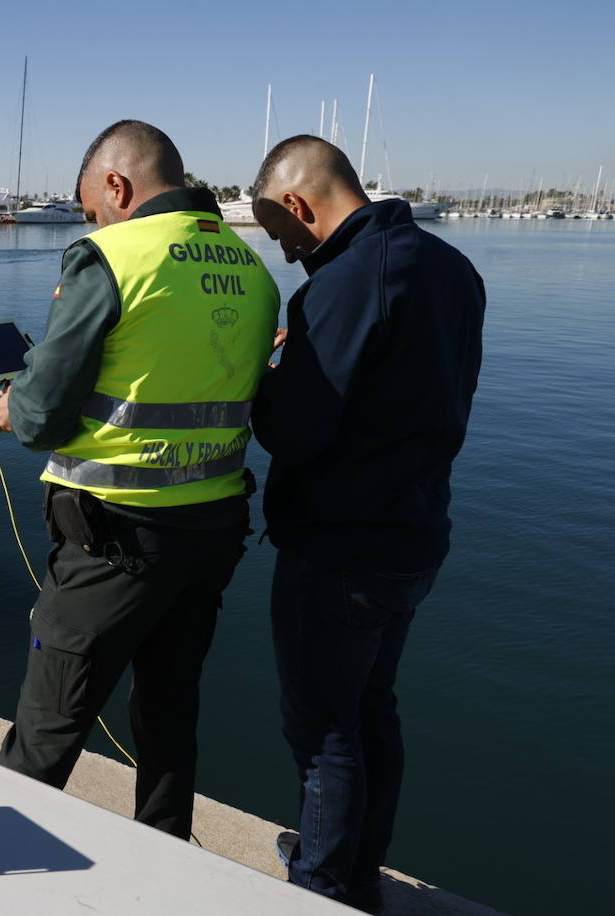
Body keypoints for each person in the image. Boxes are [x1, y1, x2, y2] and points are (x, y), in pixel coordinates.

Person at [0, 120, 279, 839]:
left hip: (115, 541)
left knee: (48, 726)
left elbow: (42, 417)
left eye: (93, 206)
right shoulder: (251, 267)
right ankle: (166, 850)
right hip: (211, 535)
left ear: (116, 185)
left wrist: (12, 402)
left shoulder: (113, 257)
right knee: (169, 714)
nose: (95, 219)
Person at [248, 135, 485, 911]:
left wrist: (270, 378)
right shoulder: (454, 271)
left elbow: (296, 429)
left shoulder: (345, 284)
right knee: (372, 710)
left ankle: (320, 889)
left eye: (280, 234)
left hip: (340, 544)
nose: (284, 254)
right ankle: (357, 868)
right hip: (417, 535)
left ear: (297, 203)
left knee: (321, 731)